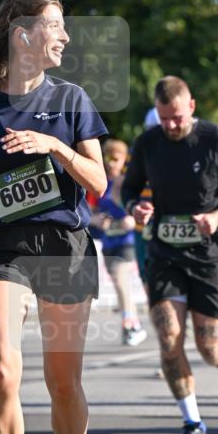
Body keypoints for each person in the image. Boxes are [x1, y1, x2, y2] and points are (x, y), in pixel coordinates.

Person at [0, 0, 108, 434]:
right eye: (56, 25)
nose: (66, 36)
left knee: (62, 381)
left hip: (62, 246)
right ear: (23, 34)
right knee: (4, 370)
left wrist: (53, 146)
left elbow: (99, 184)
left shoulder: (71, 99)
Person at [121, 75, 218, 434]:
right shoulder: (149, 143)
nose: (171, 126)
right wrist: (137, 207)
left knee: (210, 347)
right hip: (165, 254)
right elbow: (128, 189)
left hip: (210, 257)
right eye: (164, 119)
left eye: (177, 118)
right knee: (168, 340)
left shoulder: (215, 140)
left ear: (191, 107)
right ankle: (192, 422)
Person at [90, 139, 147, 346]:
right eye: (108, 159)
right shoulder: (99, 183)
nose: (111, 163)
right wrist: (95, 220)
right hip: (108, 242)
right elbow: (89, 213)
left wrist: (132, 219)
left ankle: (131, 325)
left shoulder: (129, 183)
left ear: (125, 160)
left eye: (116, 159)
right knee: (119, 284)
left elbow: (141, 208)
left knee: (121, 280)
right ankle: (132, 323)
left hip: (128, 242)